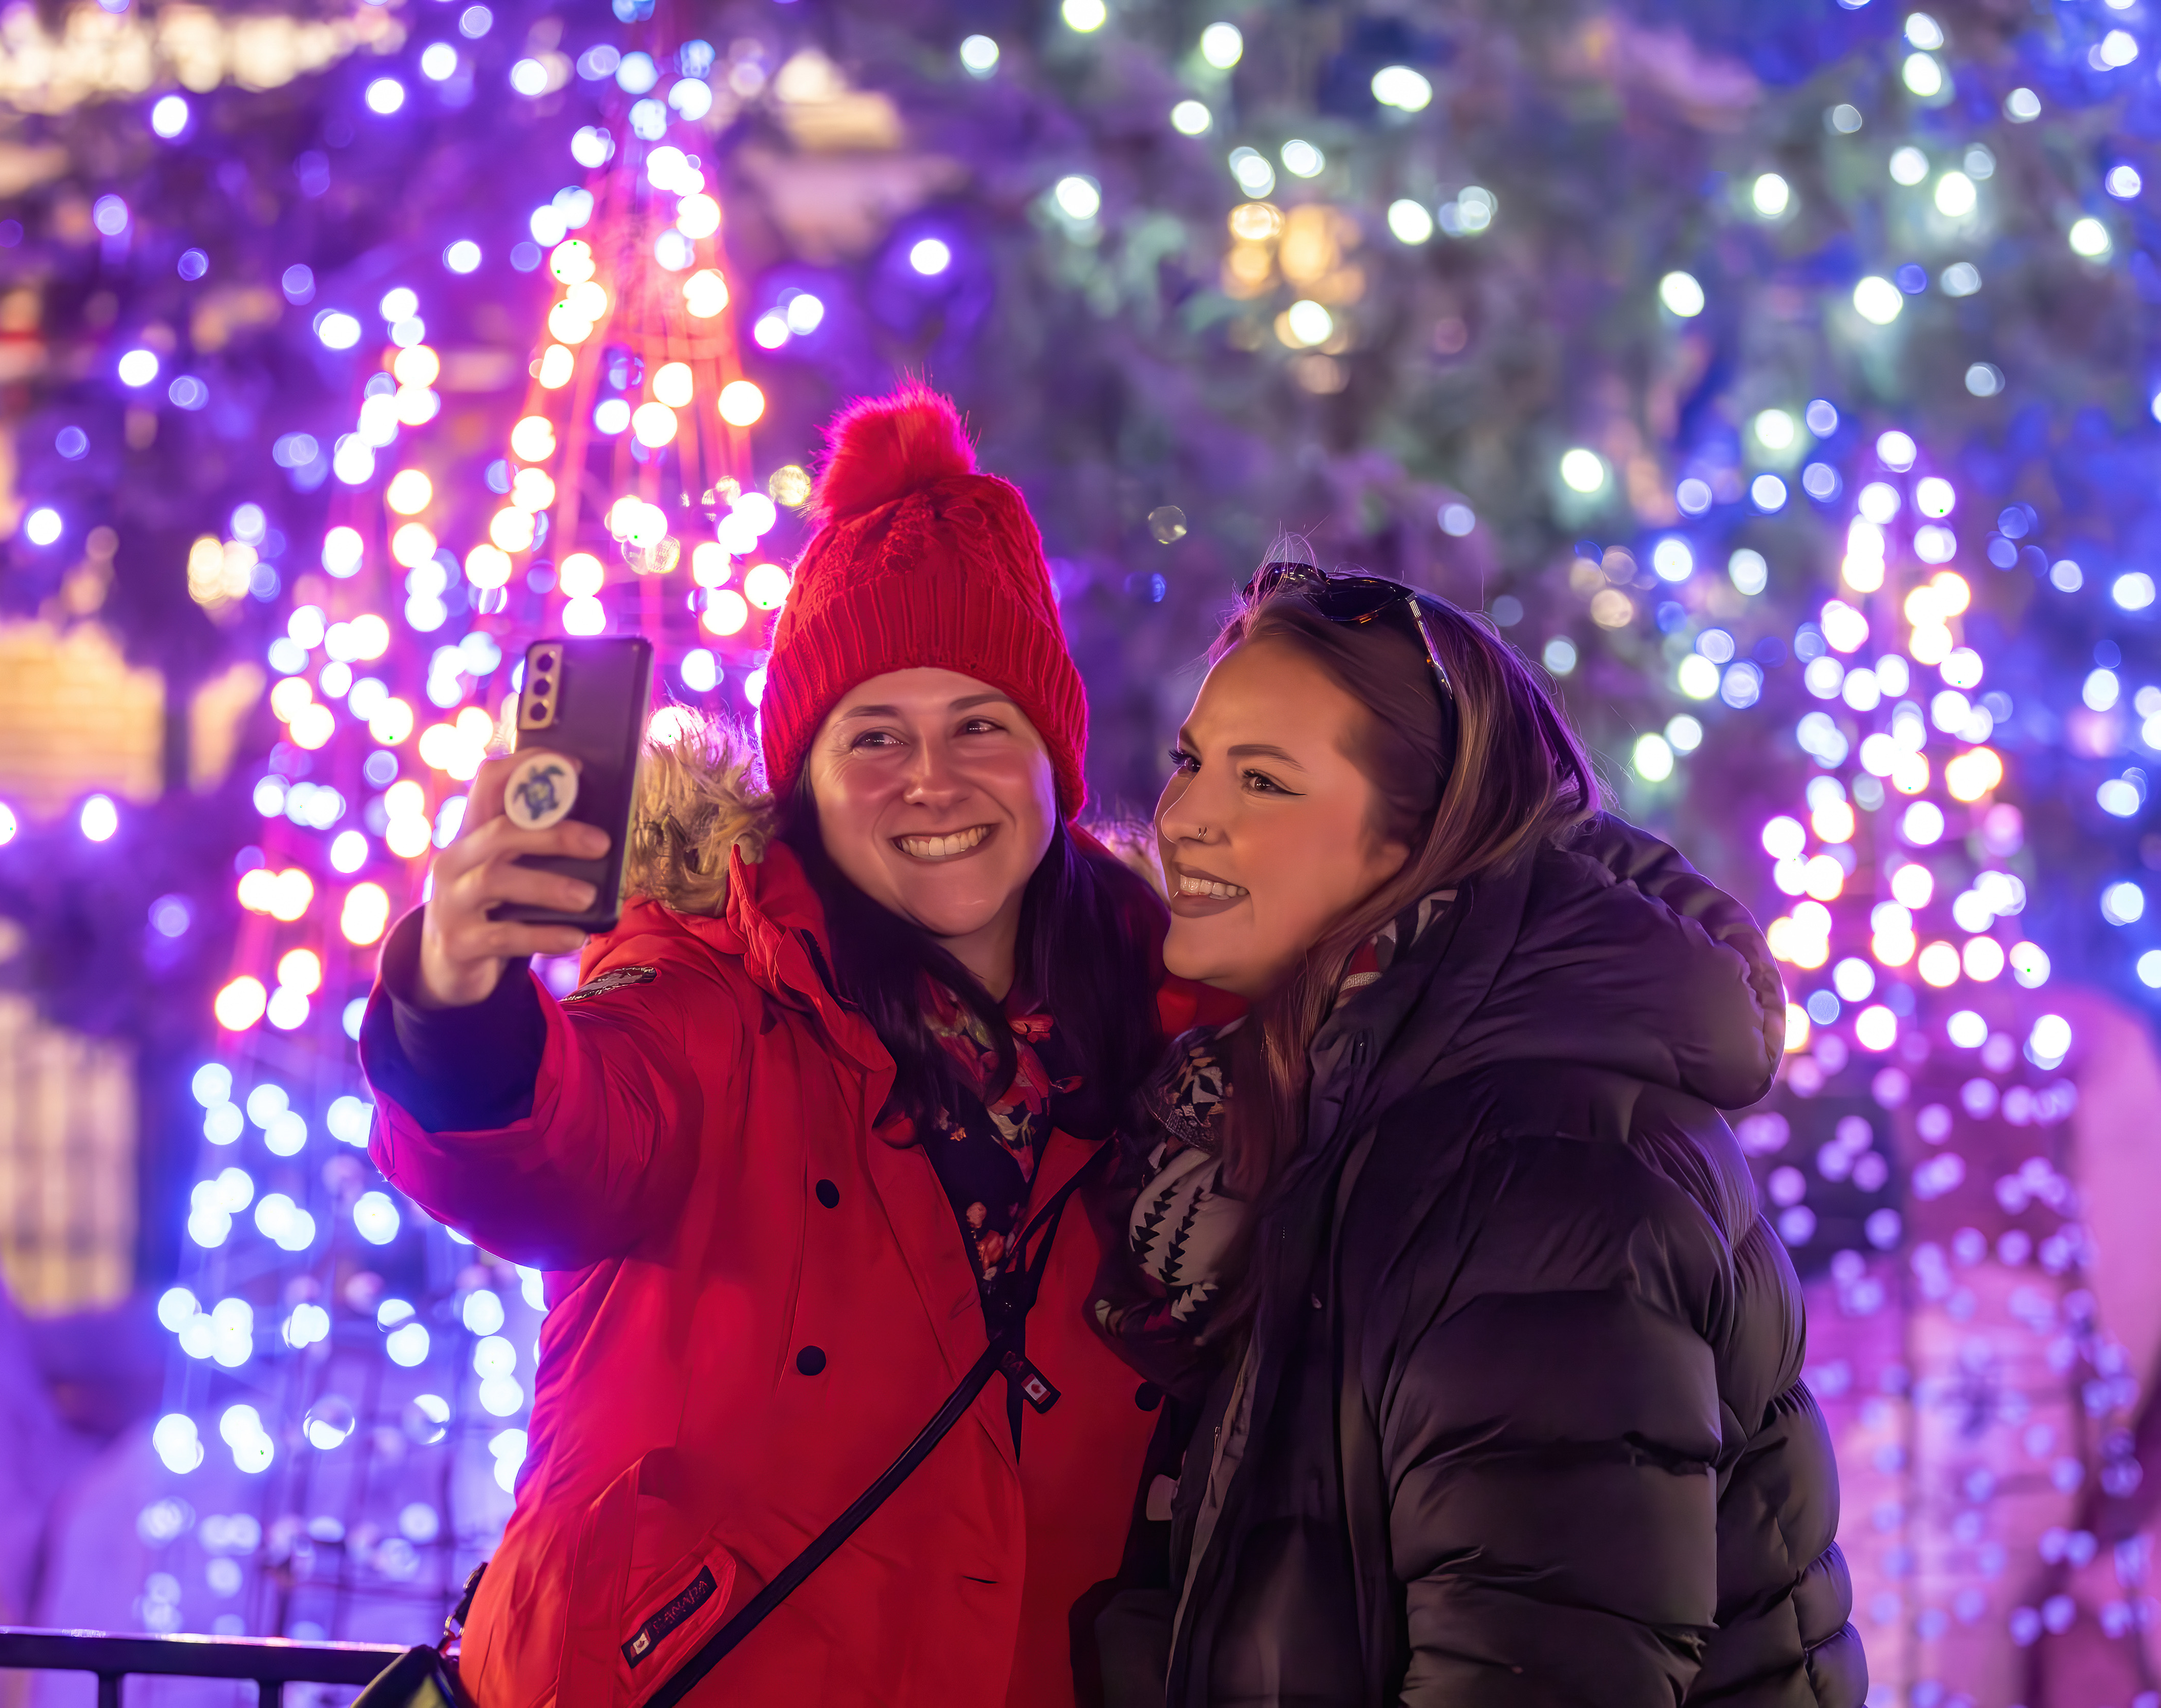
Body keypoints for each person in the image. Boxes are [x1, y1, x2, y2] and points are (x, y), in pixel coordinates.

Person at [361, 386, 1202, 1708]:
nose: (933, 777)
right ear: (803, 780)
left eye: (981, 723)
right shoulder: (711, 984)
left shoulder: (1172, 1033)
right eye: (874, 736)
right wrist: (458, 1000)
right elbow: (559, 1143)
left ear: (1055, 755)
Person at [1089, 551, 1866, 1706]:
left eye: (1263, 783)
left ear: (1413, 847)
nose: (1184, 818)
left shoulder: (1533, 1169)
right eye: (1192, 763)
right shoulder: (1321, 1123)